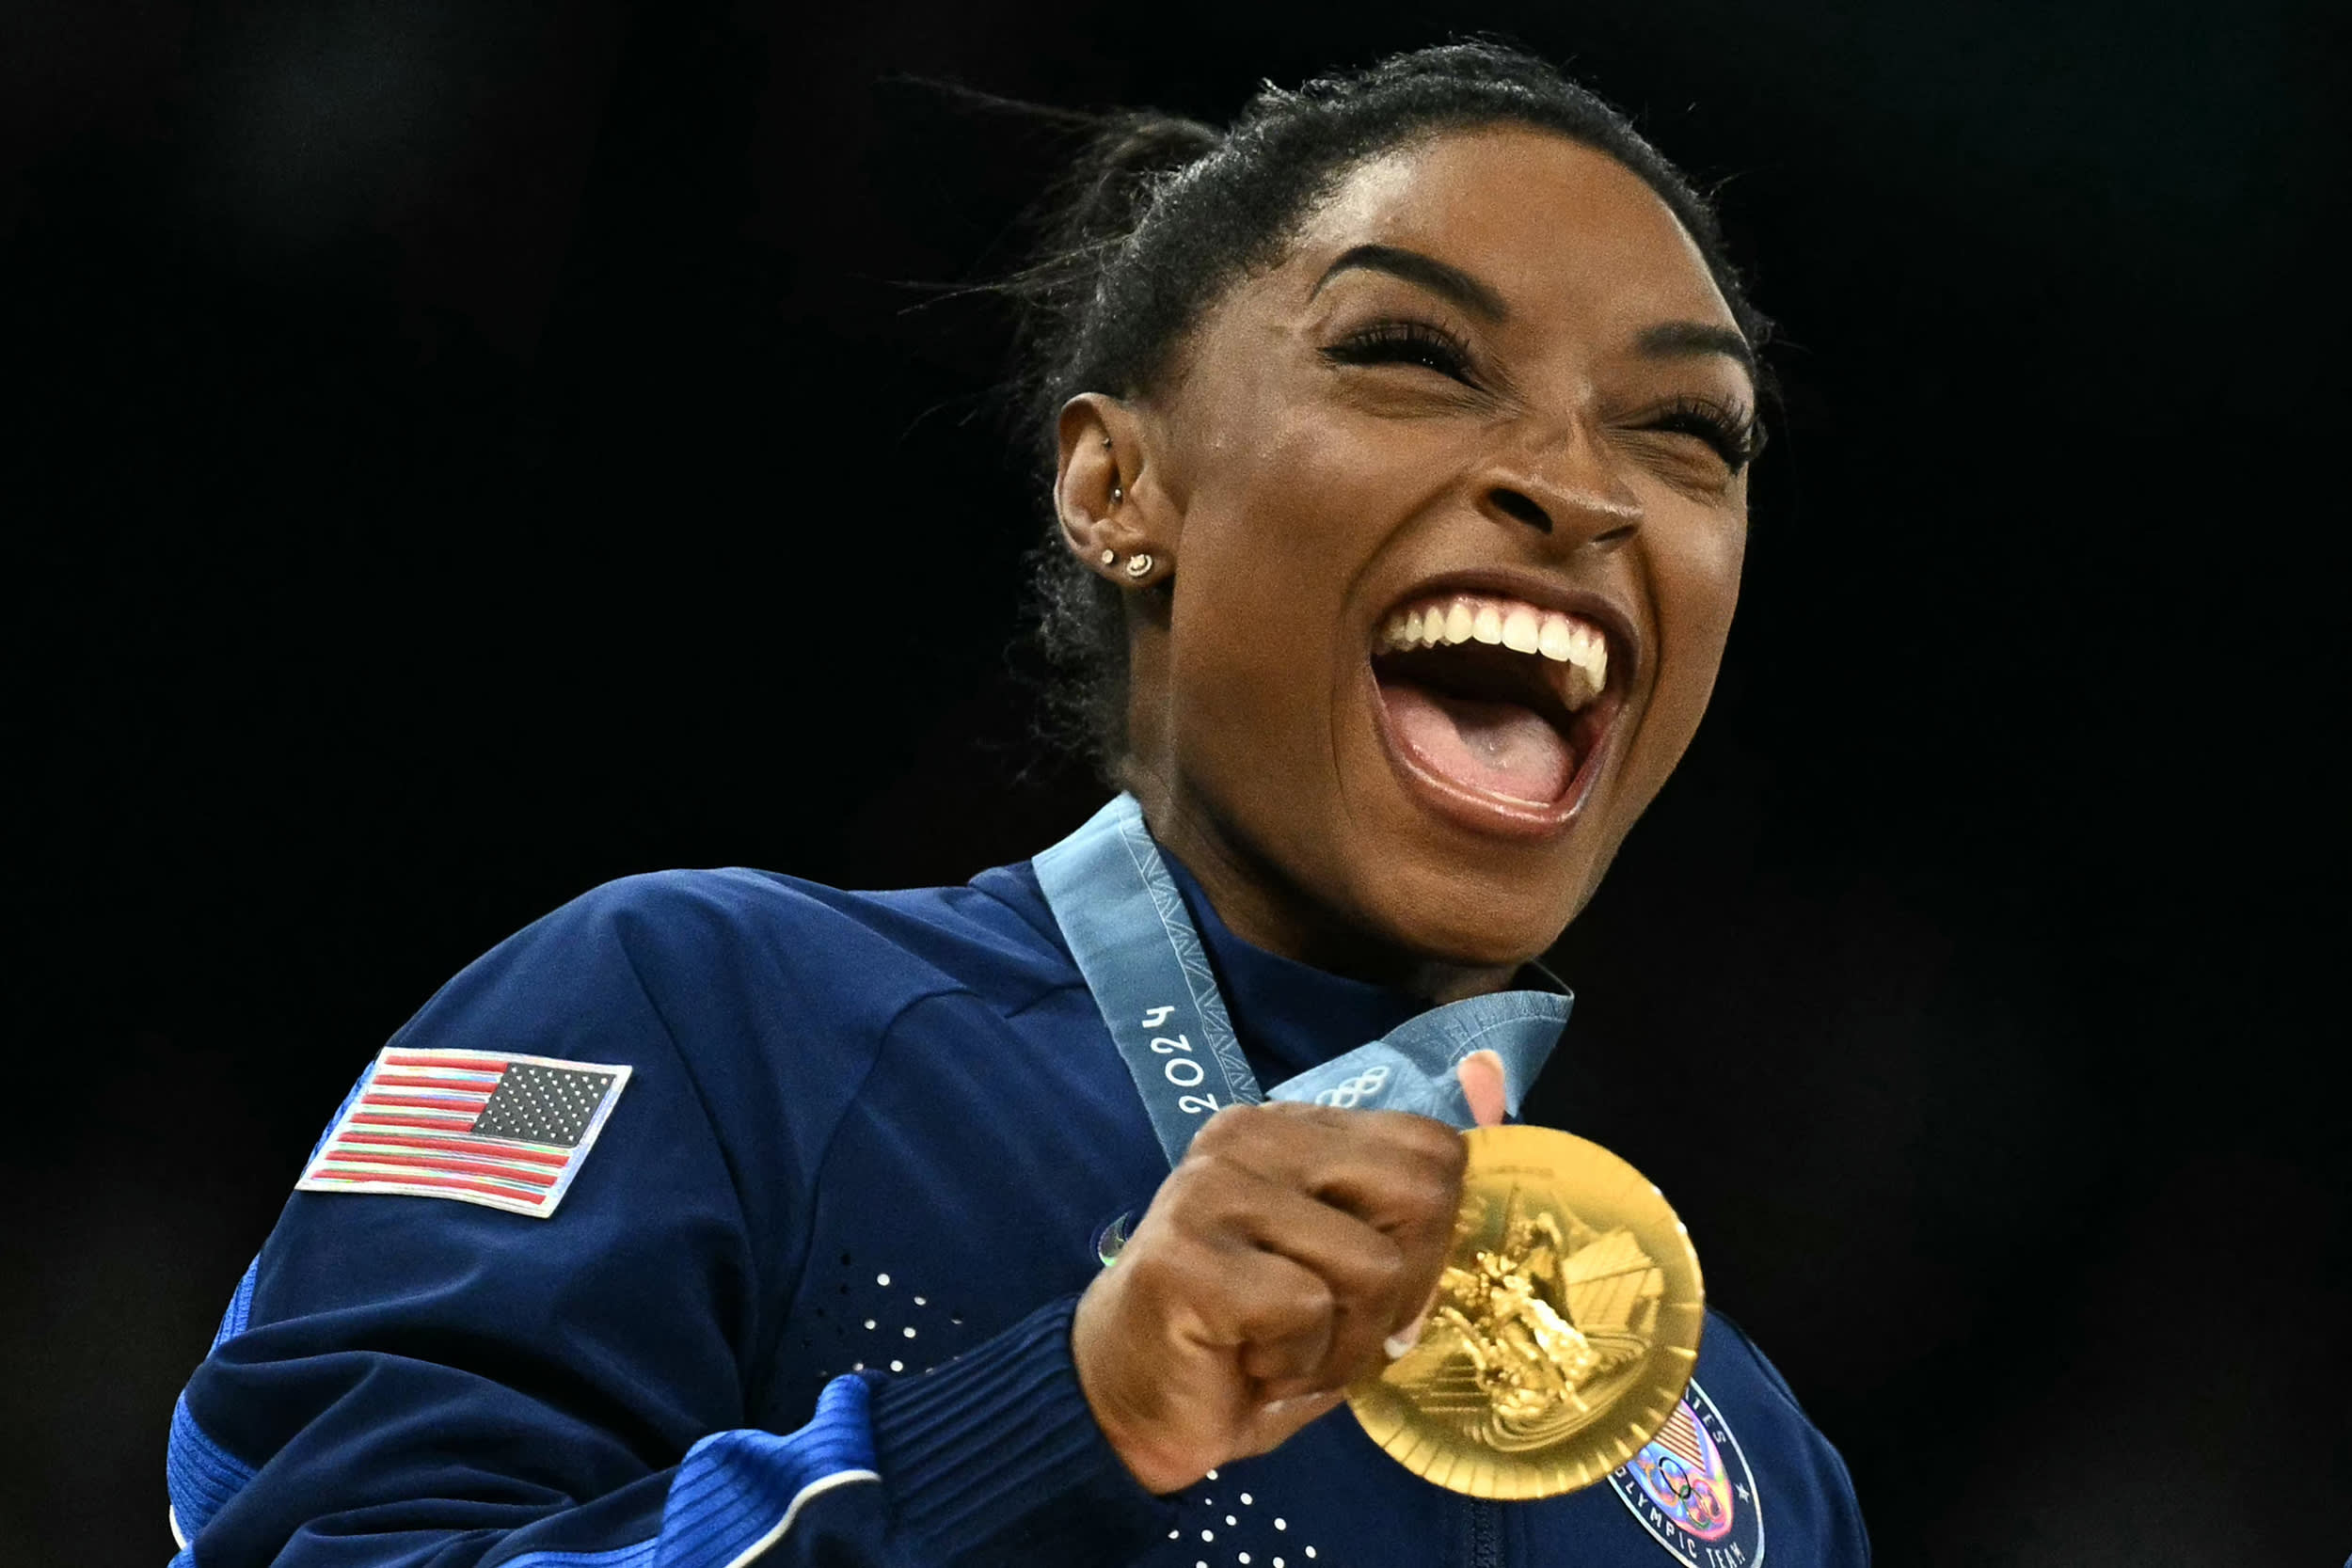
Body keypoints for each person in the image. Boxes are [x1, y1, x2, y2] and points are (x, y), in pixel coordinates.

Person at [166, 43, 1867, 1568]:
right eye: (1417, 354)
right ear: (1118, 486)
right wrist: (1070, 1413)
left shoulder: (1745, 1464)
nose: (1578, 487)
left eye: (1688, 433)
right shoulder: (704, 1017)